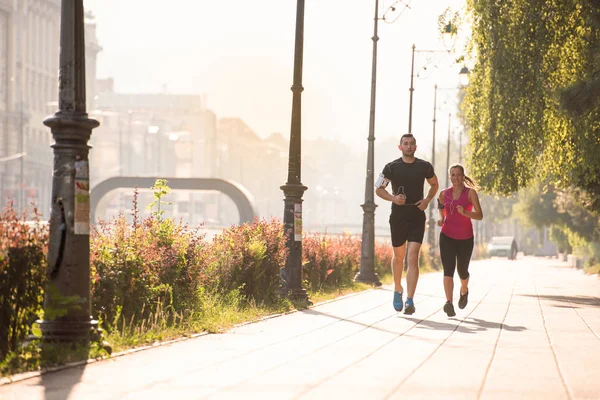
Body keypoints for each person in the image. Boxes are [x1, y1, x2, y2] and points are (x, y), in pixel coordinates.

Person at [376, 133, 439, 315]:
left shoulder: (424, 166)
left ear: (415, 147)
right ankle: (397, 289)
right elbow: (379, 189)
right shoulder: (391, 167)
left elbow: (434, 184)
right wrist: (394, 198)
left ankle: (410, 299)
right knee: (399, 257)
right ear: (400, 147)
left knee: (413, 257)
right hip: (398, 216)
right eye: (405, 144)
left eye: (412, 144)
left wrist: (427, 200)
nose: (409, 146)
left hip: (417, 215)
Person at [437, 164, 483, 317]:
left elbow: (479, 215)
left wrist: (465, 213)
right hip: (447, 236)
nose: (455, 178)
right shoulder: (444, 193)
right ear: (449, 177)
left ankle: (464, 290)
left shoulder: (470, 194)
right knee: (448, 269)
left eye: (458, 174)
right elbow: (440, 206)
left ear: (463, 176)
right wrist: (441, 218)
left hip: (465, 238)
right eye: (453, 175)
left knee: (462, 270)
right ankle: (449, 303)